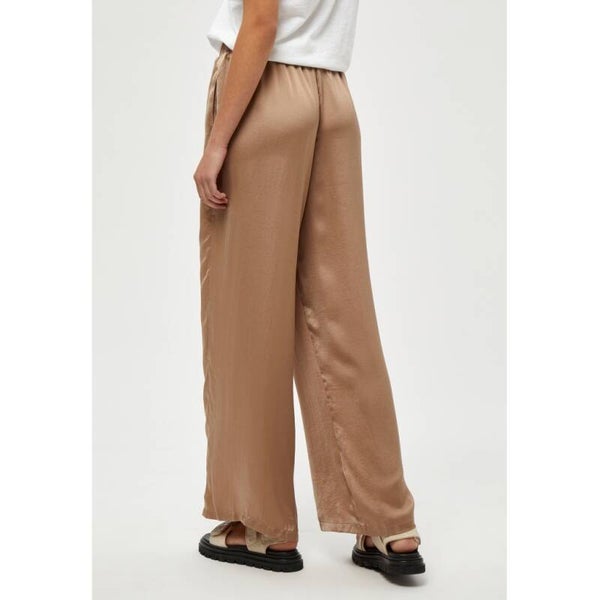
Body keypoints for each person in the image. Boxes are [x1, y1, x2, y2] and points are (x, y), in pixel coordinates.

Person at [193, 0, 425, 576]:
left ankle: (263, 526)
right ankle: (389, 523)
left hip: (265, 93)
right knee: (343, 309)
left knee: (248, 312)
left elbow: (261, 22)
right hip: (332, 99)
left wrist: (217, 143)